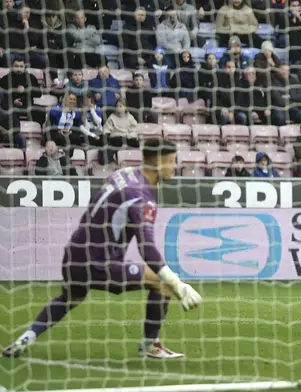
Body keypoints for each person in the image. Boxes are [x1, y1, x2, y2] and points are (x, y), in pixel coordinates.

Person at [3, 139, 203, 359]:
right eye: (172, 161)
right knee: (162, 284)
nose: (174, 167)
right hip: (101, 262)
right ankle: (150, 345)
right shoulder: (141, 197)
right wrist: (178, 284)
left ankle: (27, 337)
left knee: (71, 298)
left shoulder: (124, 173)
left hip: (73, 255)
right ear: (159, 162)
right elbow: (147, 248)